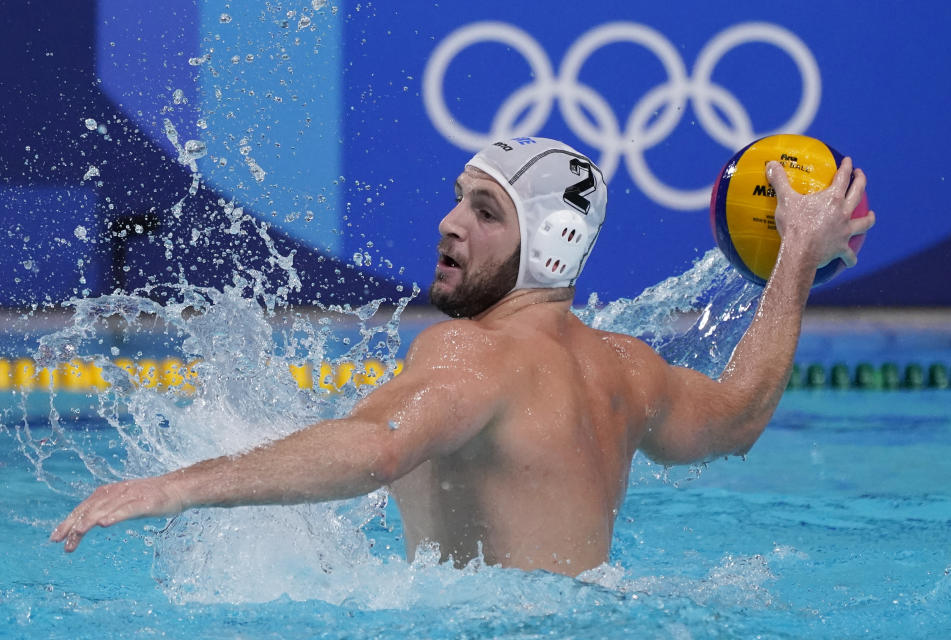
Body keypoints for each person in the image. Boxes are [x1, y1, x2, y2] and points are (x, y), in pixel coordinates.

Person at [51, 137, 874, 576]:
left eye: (485, 211)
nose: (450, 224)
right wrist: (796, 259)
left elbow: (376, 447)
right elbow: (737, 419)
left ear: (551, 243)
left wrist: (179, 484)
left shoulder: (466, 355)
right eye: (456, 201)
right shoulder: (628, 371)